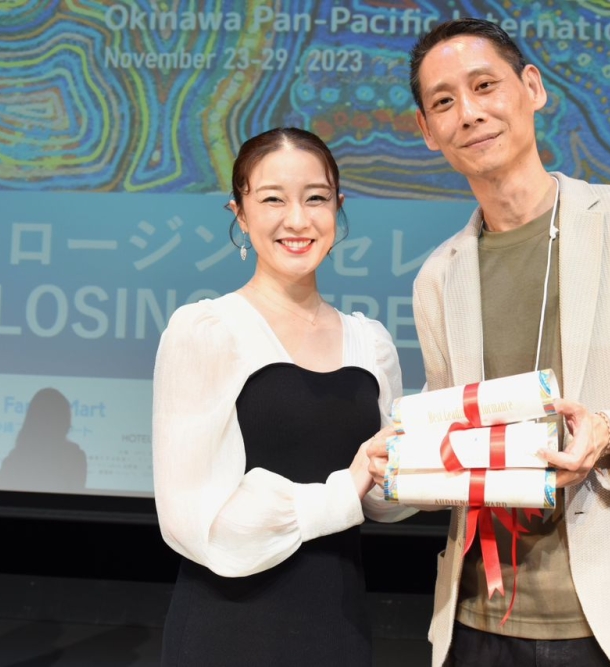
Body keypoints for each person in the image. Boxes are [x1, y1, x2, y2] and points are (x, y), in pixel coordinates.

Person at [367, 18, 610, 667]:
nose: (468, 113)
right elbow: (458, 433)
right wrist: (403, 463)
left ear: (532, 88)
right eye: (444, 102)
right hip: (478, 614)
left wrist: (609, 433)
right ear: (426, 130)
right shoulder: (439, 275)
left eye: (484, 85)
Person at [152, 127, 415, 666]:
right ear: (240, 213)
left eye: (315, 198)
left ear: (338, 209)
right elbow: (199, 525)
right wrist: (347, 485)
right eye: (272, 198)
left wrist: (434, 462)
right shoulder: (206, 331)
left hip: (338, 625)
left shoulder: (371, 342)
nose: (297, 219)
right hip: (229, 630)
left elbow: (382, 502)